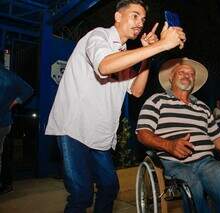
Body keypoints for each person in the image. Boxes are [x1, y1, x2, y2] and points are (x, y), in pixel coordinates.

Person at [45, 0, 186, 212]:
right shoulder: (98, 36)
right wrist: (162, 45)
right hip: (73, 128)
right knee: (81, 195)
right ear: (118, 16)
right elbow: (105, 65)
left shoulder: (125, 54)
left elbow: (137, 90)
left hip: (100, 136)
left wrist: (149, 55)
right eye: (135, 15)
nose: (140, 23)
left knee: (110, 188)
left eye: (143, 19)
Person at [136, 58, 220, 213]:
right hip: (173, 163)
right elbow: (143, 133)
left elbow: (218, 137)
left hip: (206, 162)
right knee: (192, 183)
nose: (187, 75)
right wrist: (169, 145)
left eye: (191, 74)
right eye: (181, 72)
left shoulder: (203, 107)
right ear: (171, 78)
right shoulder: (157, 100)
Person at [0, 52, 33, 194]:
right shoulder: (10, 76)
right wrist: (15, 101)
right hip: (5, 122)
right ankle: (5, 183)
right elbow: (29, 90)